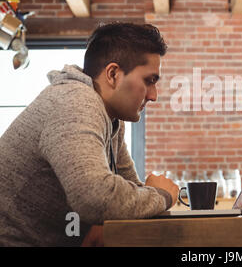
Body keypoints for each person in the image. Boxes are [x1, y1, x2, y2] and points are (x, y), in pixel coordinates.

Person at [0, 23, 179, 246]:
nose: (154, 95)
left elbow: (125, 189)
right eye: (149, 81)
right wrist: (162, 195)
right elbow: (96, 199)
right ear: (113, 74)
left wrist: (106, 218)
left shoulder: (112, 118)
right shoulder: (75, 102)